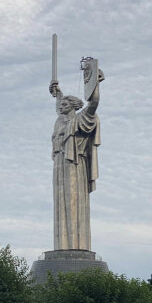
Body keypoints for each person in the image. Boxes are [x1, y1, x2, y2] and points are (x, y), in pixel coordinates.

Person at [48, 70, 103, 250]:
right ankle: (62, 247)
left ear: (73, 106)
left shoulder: (81, 119)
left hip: (75, 165)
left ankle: (77, 247)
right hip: (60, 165)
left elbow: (94, 103)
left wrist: (95, 82)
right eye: (61, 104)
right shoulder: (60, 121)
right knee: (60, 204)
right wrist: (58, 93)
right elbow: (59, 105)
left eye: (65, 104)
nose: (61, 106)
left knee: (74, 203)